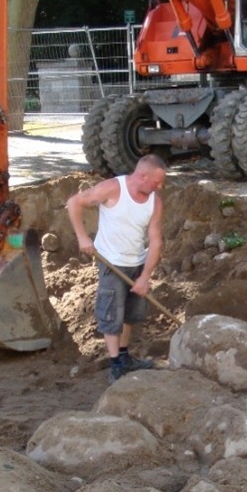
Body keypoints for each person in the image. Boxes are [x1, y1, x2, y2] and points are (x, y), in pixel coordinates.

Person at [66, 154, 167, 382]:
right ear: (143, 176)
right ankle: (116, 366)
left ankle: (124, 356)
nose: (160, 186)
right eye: (156, 181)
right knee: (111, 315)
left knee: (130, 315)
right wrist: (83, 238)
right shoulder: (112, 188)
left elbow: (156, 241)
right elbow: (74, 203)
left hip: (136, 263)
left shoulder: (155, 202)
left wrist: (145, 277)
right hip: (111, 263)